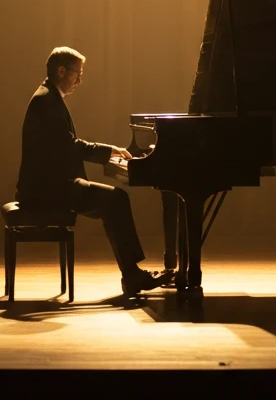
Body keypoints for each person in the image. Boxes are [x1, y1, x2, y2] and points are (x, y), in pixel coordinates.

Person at [16, 46, 165, 298]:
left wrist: (107, 153)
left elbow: (64, 146)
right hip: (47, 191)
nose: (80, 80)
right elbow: (69, 146)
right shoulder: (46, 101)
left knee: (113, 201)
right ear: (61, 71)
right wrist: (109, 151)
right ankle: (131, 275)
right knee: (116, 200)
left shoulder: (48, 96)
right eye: (78, 73)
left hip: (50, 185)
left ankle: (131, 274)